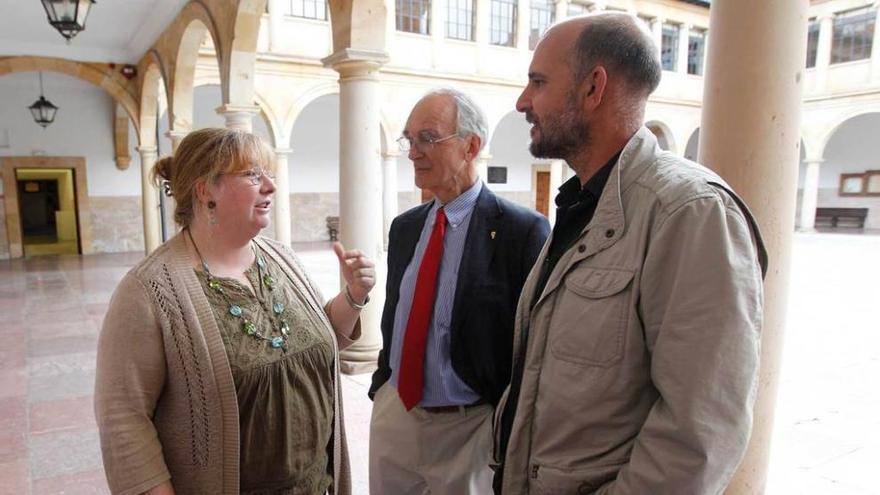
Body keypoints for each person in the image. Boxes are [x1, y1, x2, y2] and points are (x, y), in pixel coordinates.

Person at [493, 13, 769, 494]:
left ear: (593, 87)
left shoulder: (689, 211)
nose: (523, 101)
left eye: (538, 82)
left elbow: (699, 435)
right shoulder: (584, 202)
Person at [94, 127, 375, 495]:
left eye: (269, 174)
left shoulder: (282, 259)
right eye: (253, 175)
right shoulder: (148, 291)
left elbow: (318, 343)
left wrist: (354, 296)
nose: (270, 187)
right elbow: (123, 417)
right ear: (205, 189)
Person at [369, 88, 550, 494]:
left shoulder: (521, 231)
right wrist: (383, 386)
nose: (413, 152)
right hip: (398, 415)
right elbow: (397, 312)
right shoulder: (405, 227)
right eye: (409, 139)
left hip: (470, 427)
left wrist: (501, 421)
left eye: (427, 138)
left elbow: (535, 341)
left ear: (471, 146)